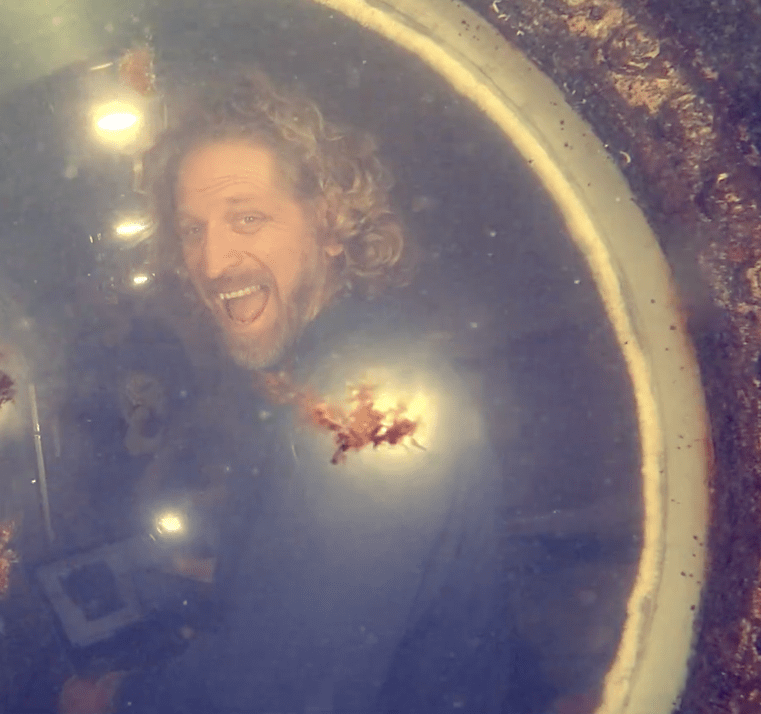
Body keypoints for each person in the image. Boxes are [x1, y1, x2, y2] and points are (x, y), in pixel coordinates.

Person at [59, 69, 508, 713]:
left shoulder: (366, 398)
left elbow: (280, 694)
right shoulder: (327, 376)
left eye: (247, 218)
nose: (212, 264)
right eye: (192, 230)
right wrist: (233, 580)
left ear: (331, 224)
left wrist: (113, 699)